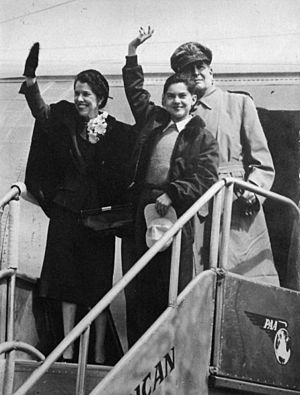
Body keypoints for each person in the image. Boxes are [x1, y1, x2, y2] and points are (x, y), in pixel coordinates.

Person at [20, 43, 134, 363]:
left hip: (98, 219)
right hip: (66, 213)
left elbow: (121, 174)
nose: (80, 98)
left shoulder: (116, 133)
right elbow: (41, 112)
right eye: (77, 92)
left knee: (96, 286)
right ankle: (68, 349)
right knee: (64, 284)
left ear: (99, 98)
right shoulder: (64, 118)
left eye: (86, 94)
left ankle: (97, 352)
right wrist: (31, 82)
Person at [122, 27, 219, 345]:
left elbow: (206, 177)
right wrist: (132, 52)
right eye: (171, 96)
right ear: (164, 100)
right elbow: (136, 93)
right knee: (138, 282)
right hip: (143, 210)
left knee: (171, 284)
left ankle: (169, 350)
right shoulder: (155, 120)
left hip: (176, 213)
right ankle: (138, 354)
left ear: (194, 101)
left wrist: (173, 192)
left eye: (183, 97)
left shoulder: (201, 136)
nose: (176, 101)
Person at [170, 41, 279, 285]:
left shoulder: (239, 103)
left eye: (201, 66)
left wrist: (253, 191)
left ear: (211, 72)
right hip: (195, 205)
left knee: (244, 281)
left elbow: (263, 163)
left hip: (236, 205)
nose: (196, 72)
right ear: (180, 76)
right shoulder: (180, 112)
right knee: (196, 282)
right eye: (188, 69)